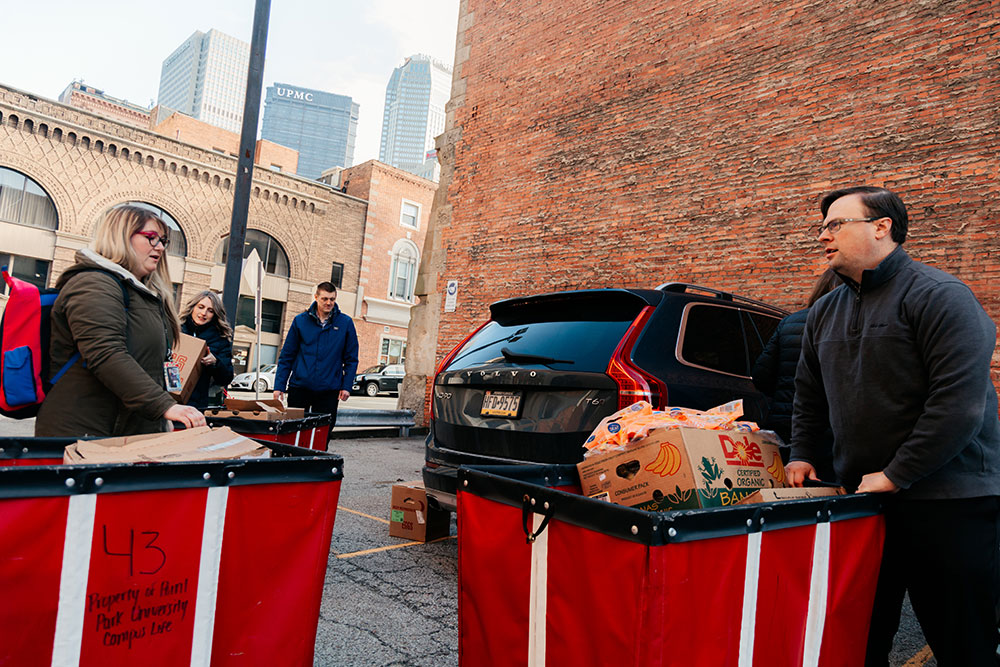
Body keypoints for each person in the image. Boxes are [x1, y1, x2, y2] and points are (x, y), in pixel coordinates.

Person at [786, 186, 1000, 666]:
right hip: (863, 503)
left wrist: (896, 473)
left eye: (835, 224)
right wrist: (802, 454)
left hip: (950, 502)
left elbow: (958, 405)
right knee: (861, 638)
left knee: (964, 642)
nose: (823, 236)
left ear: (882, 227)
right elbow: (810, 395)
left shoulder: (941, 296)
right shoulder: (823, 311)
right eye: (821, 228)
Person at [35, 205, 206, 436]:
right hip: (86, 430)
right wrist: (164, 406)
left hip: (125, 429)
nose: (161, 247)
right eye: (151, 238)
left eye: (163, 241)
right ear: (122, 236)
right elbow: (105, 353)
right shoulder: (93, 283)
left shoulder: (142, 292)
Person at [751, 269, 838, 468]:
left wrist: (784, 395)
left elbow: (761, 375)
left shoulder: (790, 322)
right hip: (829, 429)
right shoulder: (849, 322)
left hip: (785, 422)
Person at [273, 281, 359, 433]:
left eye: (332, 299)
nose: (328, 303)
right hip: (299, 388)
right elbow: (287, 356)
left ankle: (318, 457)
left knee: (322, 435)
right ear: (316, 297)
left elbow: (351, 359)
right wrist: (279, 385)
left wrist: (346, 386)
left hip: (329, 390)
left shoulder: (345, 323)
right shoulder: (300, 321)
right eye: (324, 299)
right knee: (294, 432)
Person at [179, 290, 234, 410]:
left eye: (210, 311)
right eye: (201, 307)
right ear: (193, 307)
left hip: (196, 405)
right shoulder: (177, 330)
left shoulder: (220, 339)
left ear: (215, 314)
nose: (204, 313)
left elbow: (227, 377)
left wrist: (215, 363)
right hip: (169, 400)